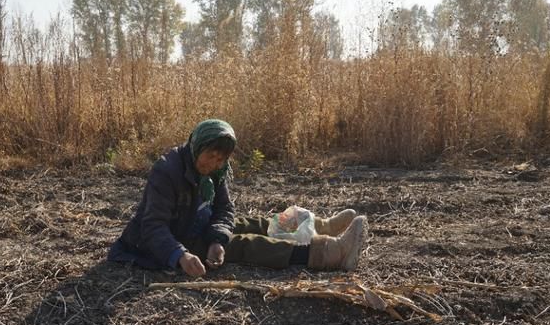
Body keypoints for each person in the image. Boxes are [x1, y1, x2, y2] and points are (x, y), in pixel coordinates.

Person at [108, 119, 368, 277]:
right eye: (210, 156)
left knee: (256, 223)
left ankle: (319, 226)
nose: (214, 163)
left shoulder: (215, 170)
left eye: (221, 159)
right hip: (165, 240)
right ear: (198, 147)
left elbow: (224, 209)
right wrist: (180, 255)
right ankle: (330, 253)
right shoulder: (167, 171)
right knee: (245, 244)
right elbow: (152, 227)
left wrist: (217, 238)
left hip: (196, 223)